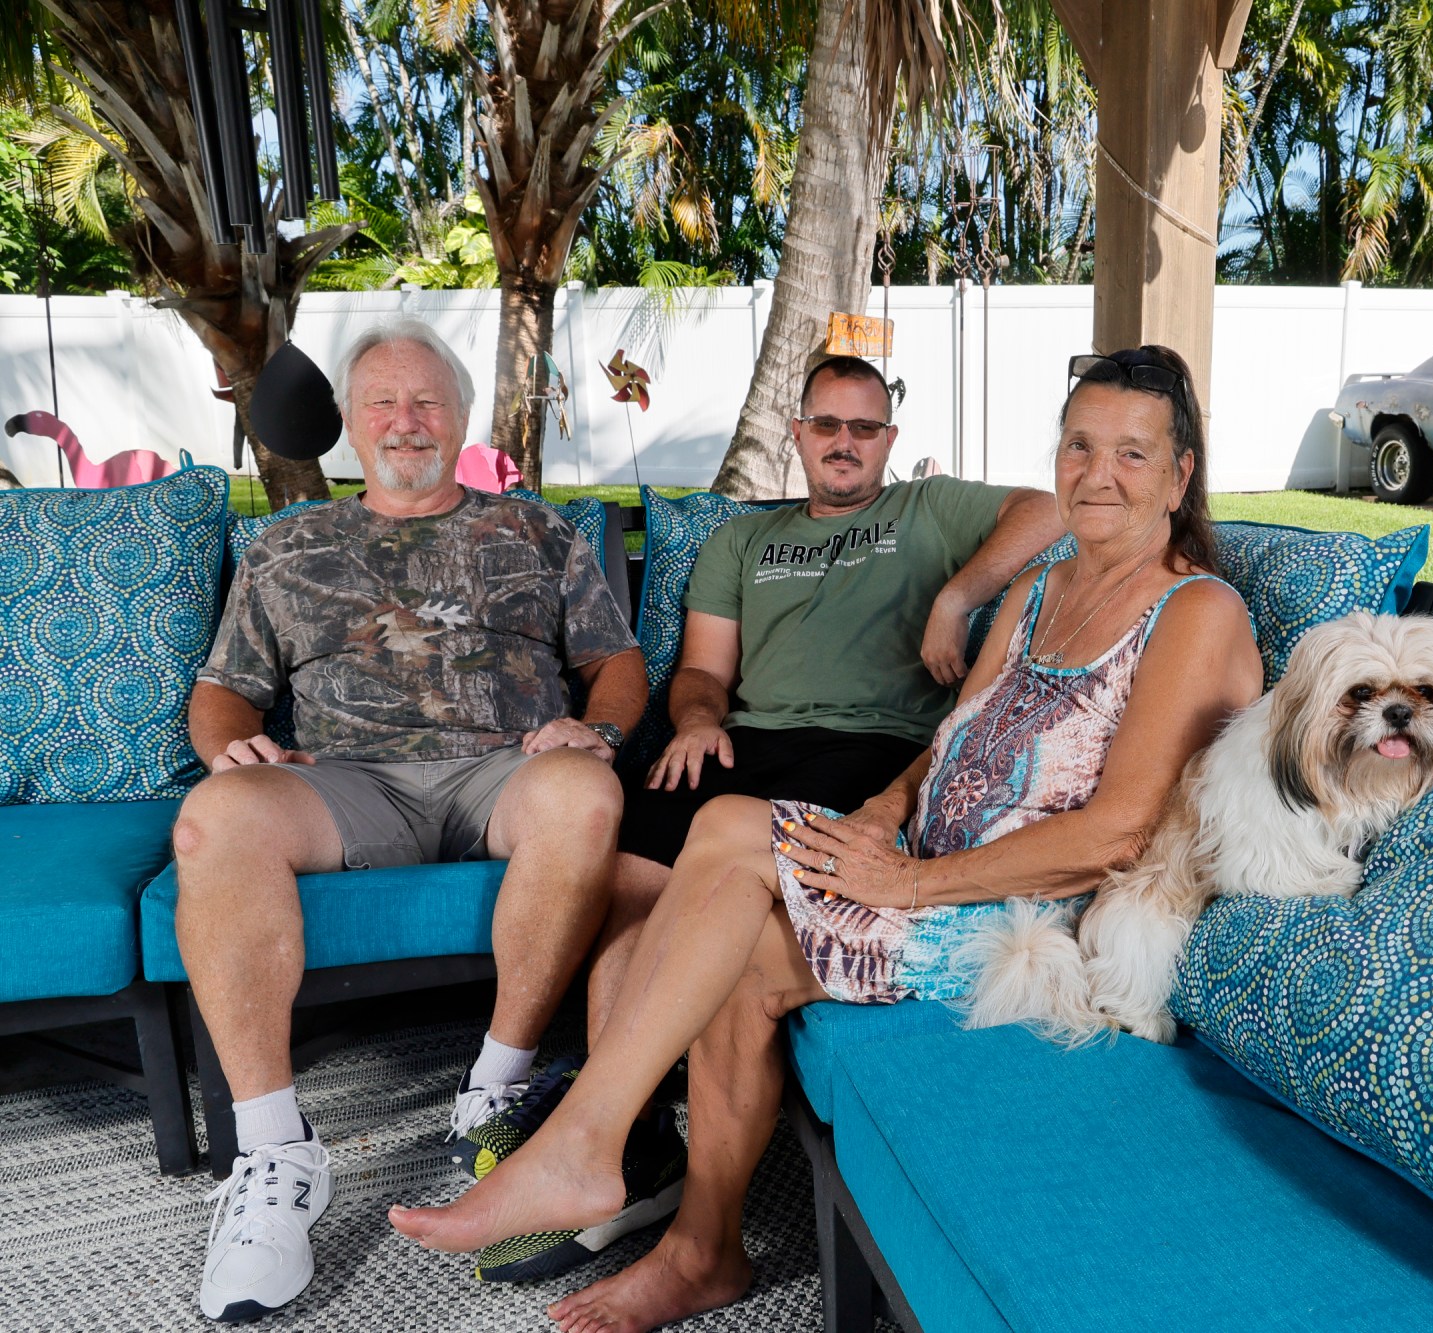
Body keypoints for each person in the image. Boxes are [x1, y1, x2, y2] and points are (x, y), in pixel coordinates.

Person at [387, 345, 1267, 1333]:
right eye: (1078, 444)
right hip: (925, 865)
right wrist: (884, 815)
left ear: (1180, 474)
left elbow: (1114, 834)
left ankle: (601, 1153)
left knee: (734, 881)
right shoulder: (1040, 590)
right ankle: (687, 1233)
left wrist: (909, 884)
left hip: (1023, 924)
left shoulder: (1194, 610)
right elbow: (944, 746)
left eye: (1132, 455)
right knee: (733, 891)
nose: (1095, 473)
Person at [445, 354, 1064, 1286]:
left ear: (890, 441)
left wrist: (956, 593)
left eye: (865, 428)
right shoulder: (743, 540)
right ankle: (638, 1141)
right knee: (628, 882)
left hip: (875, 750)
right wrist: (695, 719)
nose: (845, 444)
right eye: (827, 425)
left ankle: (602, 1136)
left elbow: (1051, 508)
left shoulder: (929, 511)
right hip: (744, 740)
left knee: (717, 856)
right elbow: (701, 672)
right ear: (799, 433)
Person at [172, 317, 646, 1322]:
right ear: (349, 422)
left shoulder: (537, 531)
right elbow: (221, 694)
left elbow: (617, 665)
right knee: (215, 820)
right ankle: (272, 1158)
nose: (405, 420)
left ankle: (498, 1089)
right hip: (346, 780)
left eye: (427, 400)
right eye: (382, 402)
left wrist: (594, 728)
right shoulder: (289, 544)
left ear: (463, 416)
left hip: (504, 768)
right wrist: (231, 750)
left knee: (586, 791)